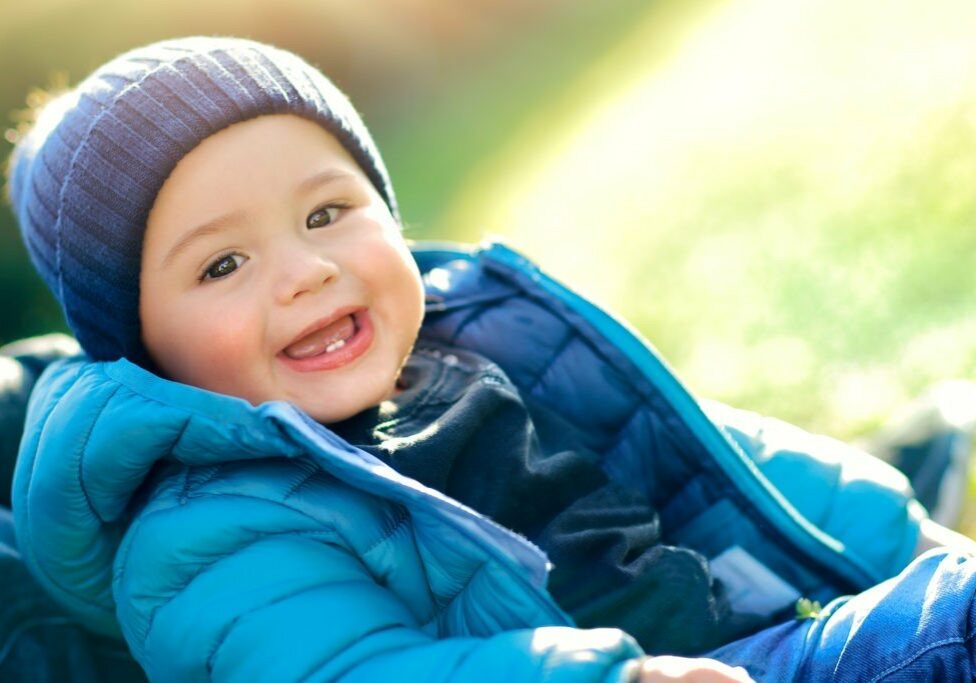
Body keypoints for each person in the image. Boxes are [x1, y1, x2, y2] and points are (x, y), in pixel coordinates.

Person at [3, 36, 976, 682]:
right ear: (144, 349)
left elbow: (720, 455)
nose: (304, 271)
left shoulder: (473, 344)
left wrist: (900, 536)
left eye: (326, 212)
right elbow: (357, 671)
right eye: (222, 263)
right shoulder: (205, 527)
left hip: (738, 633)